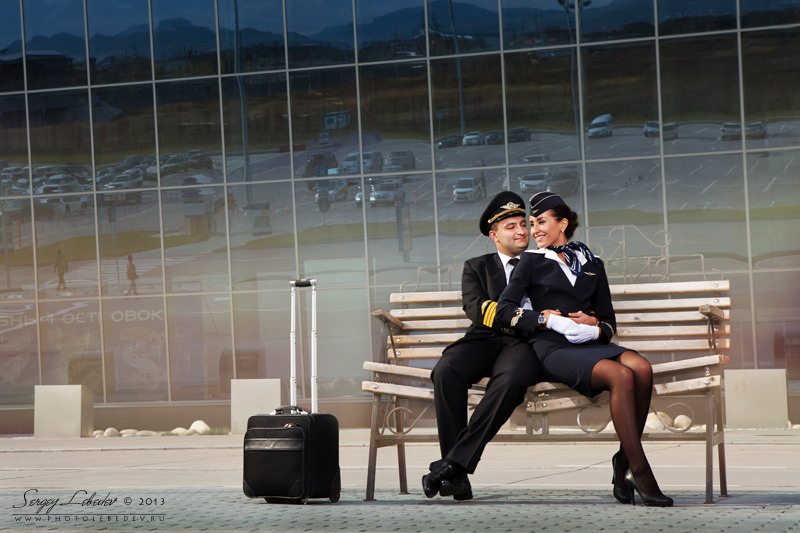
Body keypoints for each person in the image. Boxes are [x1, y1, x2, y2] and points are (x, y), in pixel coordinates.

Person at [495, 191, 673, 507]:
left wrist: (595, 324)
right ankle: (641, 471)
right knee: (621, 376)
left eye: (540, 222)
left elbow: (608, 322)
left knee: (642, 368)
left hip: (590, 344)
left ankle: (623, 461)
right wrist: (544, 318)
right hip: (553, 348)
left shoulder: (591, 263)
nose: (534, 230)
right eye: (532, 223)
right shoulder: (530, 262)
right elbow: (504, 310)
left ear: (562, 223)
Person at [422, 192, 543, 501]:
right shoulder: (476, 266)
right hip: (483, 338)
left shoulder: (544, 264)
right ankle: (457, 475)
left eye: (523, 224)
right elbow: (477, 309)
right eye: (510, 227)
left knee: (510, 380)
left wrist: (523, 320)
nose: (521, 231)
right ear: (494, 235)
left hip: (523, 344)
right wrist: (525, 317)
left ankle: (451, 467)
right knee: (446, 370)